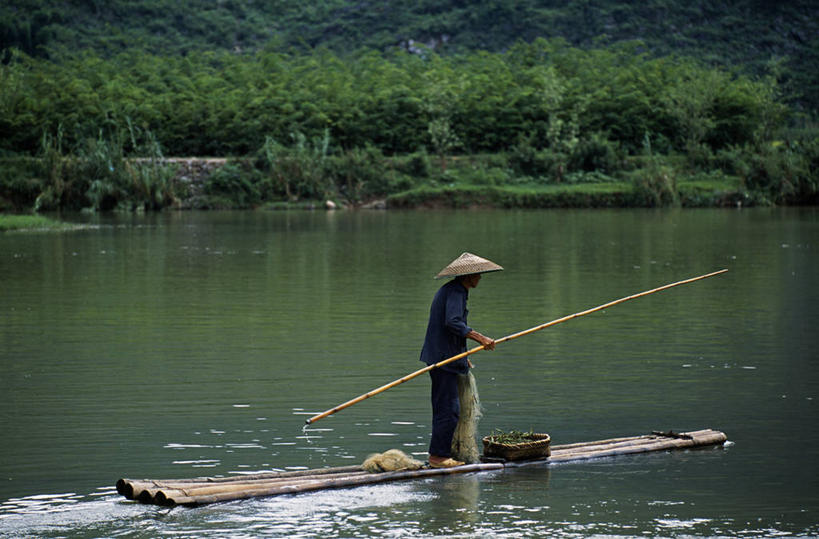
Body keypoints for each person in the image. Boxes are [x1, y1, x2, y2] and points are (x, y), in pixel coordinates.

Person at [420, 252, 503, 468]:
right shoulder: (455, 291)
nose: (480, 278)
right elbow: (453, 323)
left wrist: (464, 355)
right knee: (448, 409)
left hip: (447, 356)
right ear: (468, 276)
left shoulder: (456, 291)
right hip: (442, 360)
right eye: (478, 275)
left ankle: (441, 454)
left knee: (448, 408)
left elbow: (454, 330)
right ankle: (438, 457)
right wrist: (481, 338)